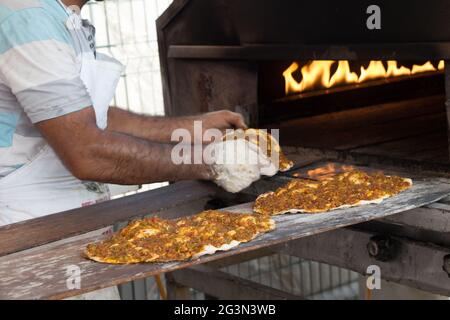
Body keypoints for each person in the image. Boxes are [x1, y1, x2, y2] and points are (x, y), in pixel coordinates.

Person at [0, 0, 276, 299]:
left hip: (72, 226)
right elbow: (86, 150)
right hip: (29, 239)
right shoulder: (25, 18)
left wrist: (191, 128)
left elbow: (89, 117)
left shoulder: (62, 18)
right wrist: (216, 162)